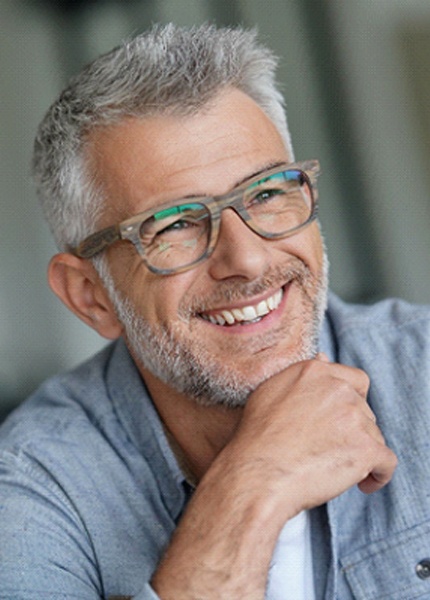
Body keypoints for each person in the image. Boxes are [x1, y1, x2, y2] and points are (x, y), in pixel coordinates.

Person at [1, 22, 429, 600]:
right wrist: (251, 486)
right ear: (90, 296)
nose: (247, 260)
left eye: (269, 192)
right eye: (174, 224)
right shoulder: (31, 491)